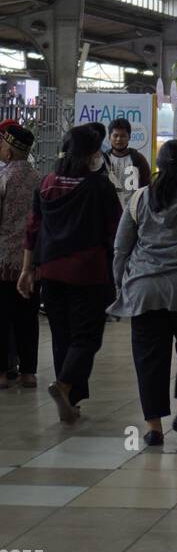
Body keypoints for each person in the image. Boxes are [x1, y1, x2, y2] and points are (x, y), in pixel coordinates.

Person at [109, 140, 177, 446]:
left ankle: (153, 427)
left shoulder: (139, 199)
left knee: (149, 359)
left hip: (144, 291)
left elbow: (121, 249)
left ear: (158, 164)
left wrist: (121, 288)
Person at [18, 124, 120, 423]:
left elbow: (33, 229)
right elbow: (117, 229)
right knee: (87, 337)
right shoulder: (99, 186)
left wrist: (26, 270)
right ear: (91, 154)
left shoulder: (47, 182)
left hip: (49, 272)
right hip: (87, 273)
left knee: (63, 336)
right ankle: (64, 387)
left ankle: (71, 404)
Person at [0, 124, 39, 390]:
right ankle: (28, 373)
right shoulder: (39, 179)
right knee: (28, 316)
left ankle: (3, 373)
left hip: (3, 262)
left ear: (10, 152)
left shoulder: (3, 178)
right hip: (32, 261)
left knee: (2, 317)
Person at [104, 119, 151, 205]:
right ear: (109, 137)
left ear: (129, 137)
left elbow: (146, 187)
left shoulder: (139, 159)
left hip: (133, 211)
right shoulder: (103, 160)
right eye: (115, 135)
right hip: (108, 211)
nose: (119, 139)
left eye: (123, 136)